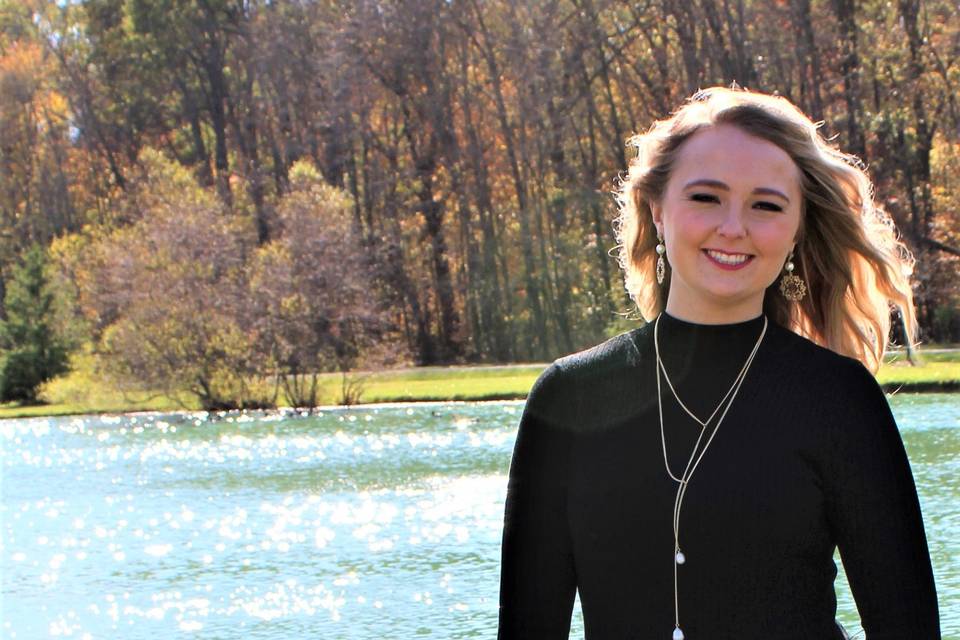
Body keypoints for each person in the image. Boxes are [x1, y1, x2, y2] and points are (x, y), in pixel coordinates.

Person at [497, 86, 941, 639]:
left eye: (766, 205)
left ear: (798, 226)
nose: (734, 227)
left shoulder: (839, 400)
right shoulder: (570, 397)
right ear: (658, 209)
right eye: (707, 197)